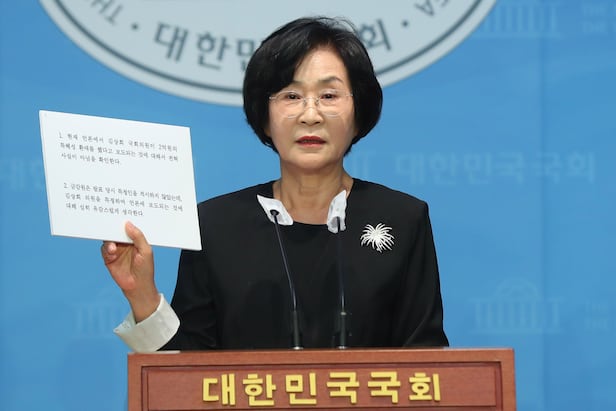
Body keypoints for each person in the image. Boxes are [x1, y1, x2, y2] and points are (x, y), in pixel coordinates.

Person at [102, 16, 448, 352]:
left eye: (329, 96)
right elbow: (186, 373)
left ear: (359, 113)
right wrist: (142, 296)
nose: (310, 115)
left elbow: (428, 362)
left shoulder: (403, 218)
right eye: (291, 96)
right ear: (265, 118)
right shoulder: (215, 225)